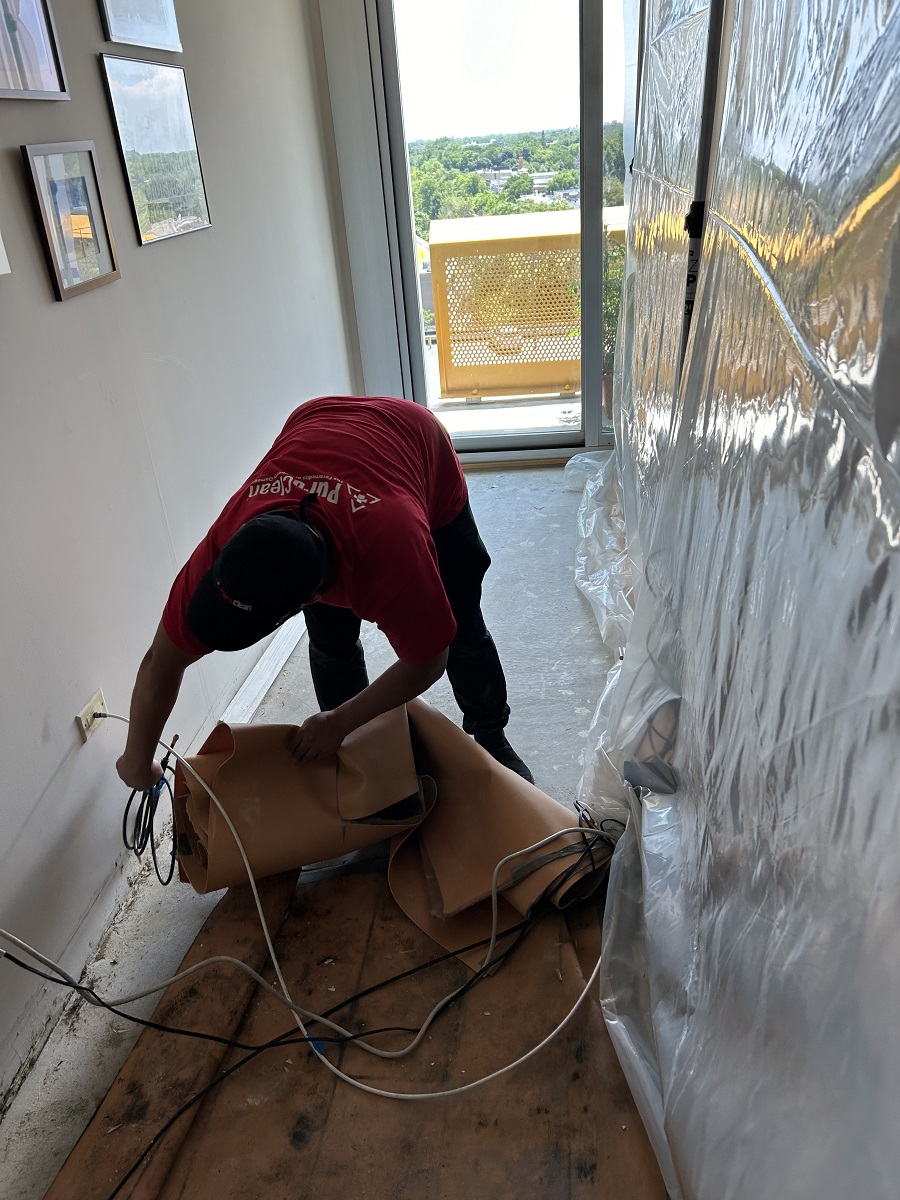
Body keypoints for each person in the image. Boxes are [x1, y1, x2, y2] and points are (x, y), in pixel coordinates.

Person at [116, 395, 533, 792]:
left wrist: (337, 721)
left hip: (414, 437)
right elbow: (159, 663)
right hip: (318, 420)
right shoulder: (231, 545)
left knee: (461, 627)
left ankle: (491, 734)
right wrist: (137, 760)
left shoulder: (394, 550)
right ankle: (362, 758)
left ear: (311, 598)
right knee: (332, 645)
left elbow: (428, 659)